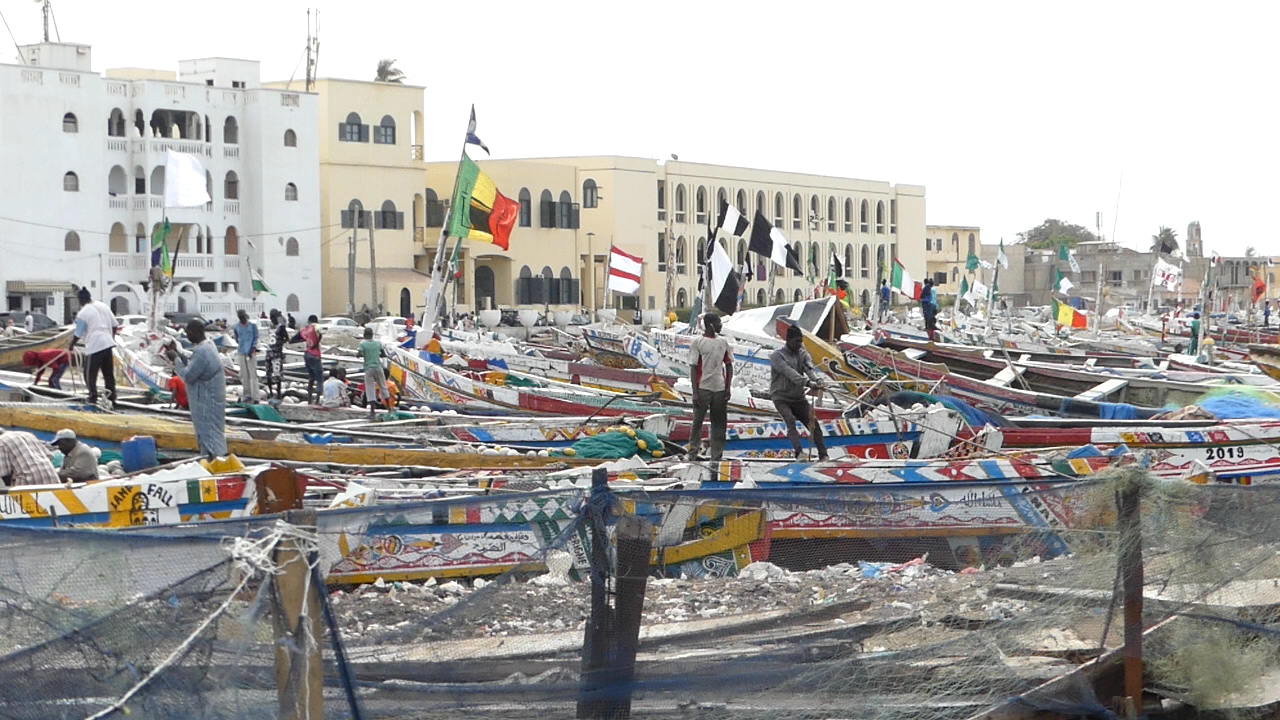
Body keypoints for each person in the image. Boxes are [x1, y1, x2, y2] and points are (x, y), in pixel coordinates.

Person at [166, 320, 227, 459]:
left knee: (209, 435)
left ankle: (215, 462)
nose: (187, 335)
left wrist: (175, 359)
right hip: (207, 401)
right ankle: (210, 461)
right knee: (208, 433)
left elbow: (188, 375)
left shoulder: (203, 351)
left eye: (188, 332)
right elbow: (193, 365)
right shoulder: (207, 346)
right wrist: (179, 354)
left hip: (206, 402)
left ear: (194, 332)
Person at [769, 324, 828, 461]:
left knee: (813, 424)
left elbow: (809, 370)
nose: (799, 345)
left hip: (798, 398)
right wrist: (807, 383)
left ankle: (823, 455)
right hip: (781, 397)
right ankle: (799, 453)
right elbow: (789, 373)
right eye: (796, 342)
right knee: (790, 420)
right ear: (788, 341)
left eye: (801, 342)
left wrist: (818, 380)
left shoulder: (803, 354)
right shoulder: (777, 356)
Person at [687, 313, 733, 461]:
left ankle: (716, 456)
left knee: (719, 424)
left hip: (719, 388)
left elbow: (729, 365)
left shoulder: (723, 342)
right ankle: (693, 453)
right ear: (711, 324)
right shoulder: (698, 343)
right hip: (703, 388)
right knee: (697, 422)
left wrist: (727, 388)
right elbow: (693, 368)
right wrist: (694, 392)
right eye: (718, 322)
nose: (720, 325)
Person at [69, 288, 118, 408]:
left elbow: (78, 333)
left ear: (81, 300)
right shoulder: (103, 306)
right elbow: (115, 325)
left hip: (95, 345)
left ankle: (93, 396)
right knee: (108, 373)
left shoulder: (83, 313)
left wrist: (71, 345)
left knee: (89, 372)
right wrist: (111, 337)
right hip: (108, 343)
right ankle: (112, 397)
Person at [291, 315, 324, 404]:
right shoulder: (316, 326)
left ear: (308, 321)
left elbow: (293, 339)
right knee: (320, 379)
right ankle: (317, 401)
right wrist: (316, 343)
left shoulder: (305, 329)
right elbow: (320, 334)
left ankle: (309, 400)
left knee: (311, 378)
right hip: (315, 355)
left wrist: (305, 341)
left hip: (307, 354)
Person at [358, 328, 389, 418]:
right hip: (378, 367)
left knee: (370, 389)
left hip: (369, 368)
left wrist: (361, 355)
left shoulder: (362, 344)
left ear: (364, 335)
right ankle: (390, 408)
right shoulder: (378, 343)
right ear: (372, 335)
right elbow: (383, 354)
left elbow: (359, 354)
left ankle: (372, 412)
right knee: (383, 386)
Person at [232, 309, 260, 403]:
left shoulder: (252, 326)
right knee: (244, 375)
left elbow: (256, 338)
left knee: (253, 375)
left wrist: (253, 348)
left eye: (243, 317)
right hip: (241, 351)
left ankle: (255, 397)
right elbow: (236, 337)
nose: (242, 319)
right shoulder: (237, 327)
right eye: (240, 317)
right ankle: (247, 395)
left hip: (251, 352)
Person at [265, 312, 289, 399]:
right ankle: (271, 392)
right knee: (268, 374)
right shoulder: (270, 327)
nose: (272, 319)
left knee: (277, 374)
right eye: (272, 317)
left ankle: (278, 394)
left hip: (277, 353)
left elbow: (287, 338)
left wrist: (279, 343)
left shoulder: (281, 327)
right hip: (269, 353)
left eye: (274, 317)